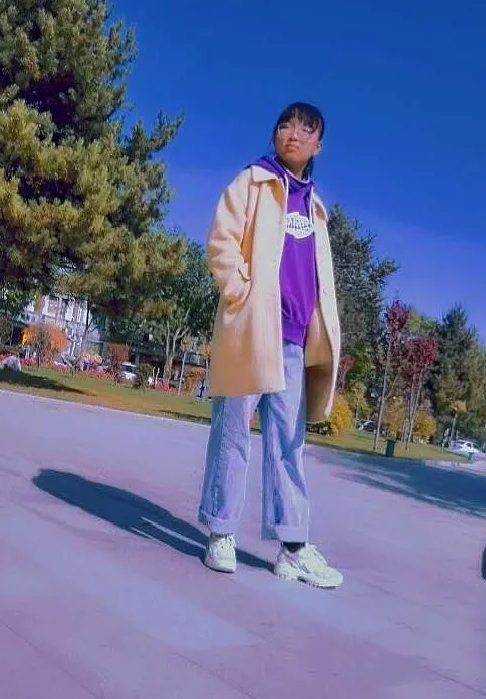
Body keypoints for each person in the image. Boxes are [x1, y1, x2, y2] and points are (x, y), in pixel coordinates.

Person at [197, 102, 343, 589]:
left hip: (294, 343)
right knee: (232, 433)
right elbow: (221, 243)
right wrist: (242, 294)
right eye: (285, 125)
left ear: (318, 144)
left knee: (288, 445)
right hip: (251, 333)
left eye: (305, 129)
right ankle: (221, 533)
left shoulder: (316, 208)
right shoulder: (253, 182)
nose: (293, 134)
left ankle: (292, 548)